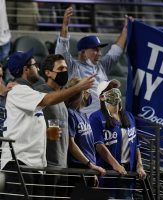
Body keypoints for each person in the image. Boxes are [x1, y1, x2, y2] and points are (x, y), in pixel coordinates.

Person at [0, 49, 95, 199]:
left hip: (33, 165)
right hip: (18, 163)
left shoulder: (27, 92)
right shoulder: (19, 91)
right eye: (34, 65)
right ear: (25, 69)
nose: (37, 68)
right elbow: (48, 99)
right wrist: (78, 87)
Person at [55, 6, 130, 117]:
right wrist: (65, 25)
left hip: (105, 117)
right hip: (85, 118)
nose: (99, 52)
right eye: (95, 49)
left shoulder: (102, 65)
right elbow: (61, 50)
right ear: (83, 52)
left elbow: (116, 51)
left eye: (99, 49)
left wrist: (126, 29)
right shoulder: (73, 67)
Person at [90, 79, 146, 199]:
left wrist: (139, 165)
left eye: (115, 88)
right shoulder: (96, 117)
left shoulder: (129, 117)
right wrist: (116, 165)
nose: (114, 92)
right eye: (109, 90)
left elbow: (136, 144)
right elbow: (99, 145)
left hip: (128, 174)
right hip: (108, 174)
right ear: (101, 97)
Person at [33, 54, 69, 199]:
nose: (64, 72)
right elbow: (29, 123)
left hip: (64, 167)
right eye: (60, 68)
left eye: (66, 68)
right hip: (46, 167)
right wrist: (44, 132)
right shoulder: (40, 92)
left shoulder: (61, 96)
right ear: (48, 73)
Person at [65, 77, 105, 191]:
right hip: (78, 171)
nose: (88, 94)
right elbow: (71, 144)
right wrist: (89, 165)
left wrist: (93, 171)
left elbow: (89, 147)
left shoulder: (83, 115)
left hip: (89, 171)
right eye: (86, 91)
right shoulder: (70, 113)